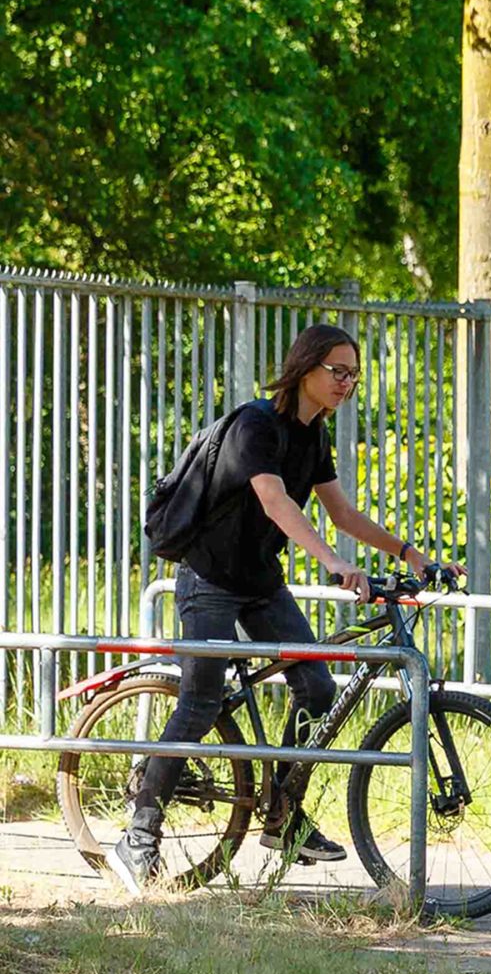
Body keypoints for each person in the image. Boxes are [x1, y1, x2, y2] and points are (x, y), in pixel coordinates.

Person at [108, 324, 463, 895]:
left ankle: (283, 812)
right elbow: (275, 503)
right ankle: (140, 833)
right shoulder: (256, 426)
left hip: (261, 582)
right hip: (209, 578)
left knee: (318, 690)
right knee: (199, 702)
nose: (347, 383)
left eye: (354, 375)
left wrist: (410, 553)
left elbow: (341, 512)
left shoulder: (313, 435)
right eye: (338, 372)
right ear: (306, 370)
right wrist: (334, 563)